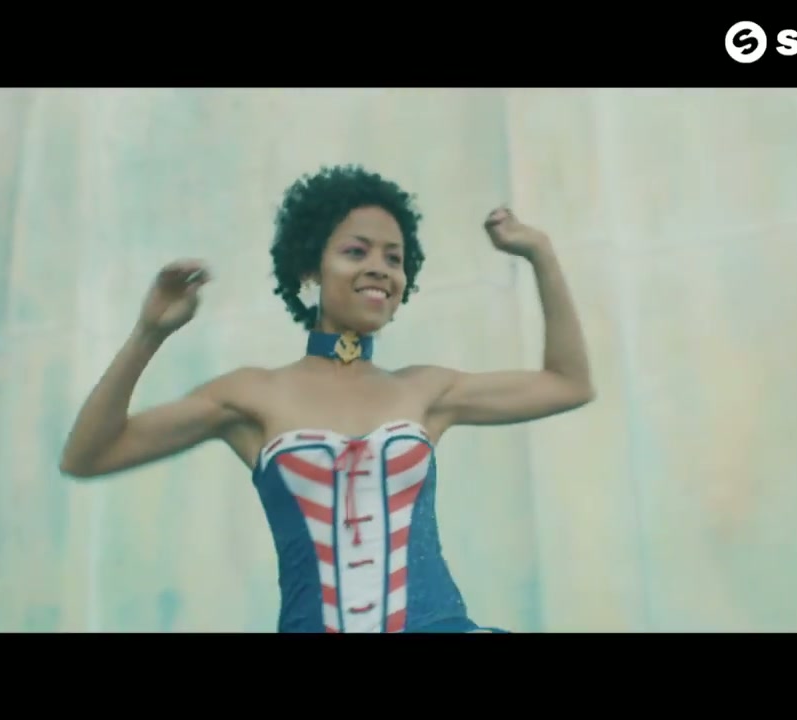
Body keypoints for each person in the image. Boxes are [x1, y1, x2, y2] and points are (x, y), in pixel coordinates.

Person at [60, 164, 594, 633]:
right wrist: (149, 333)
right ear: (310, 270)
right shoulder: (251, 394)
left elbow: (568, 383)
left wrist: (540, 254)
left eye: (394, 258)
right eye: (356, 251)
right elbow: (88, 455)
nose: (379, 267)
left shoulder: (425, 390)